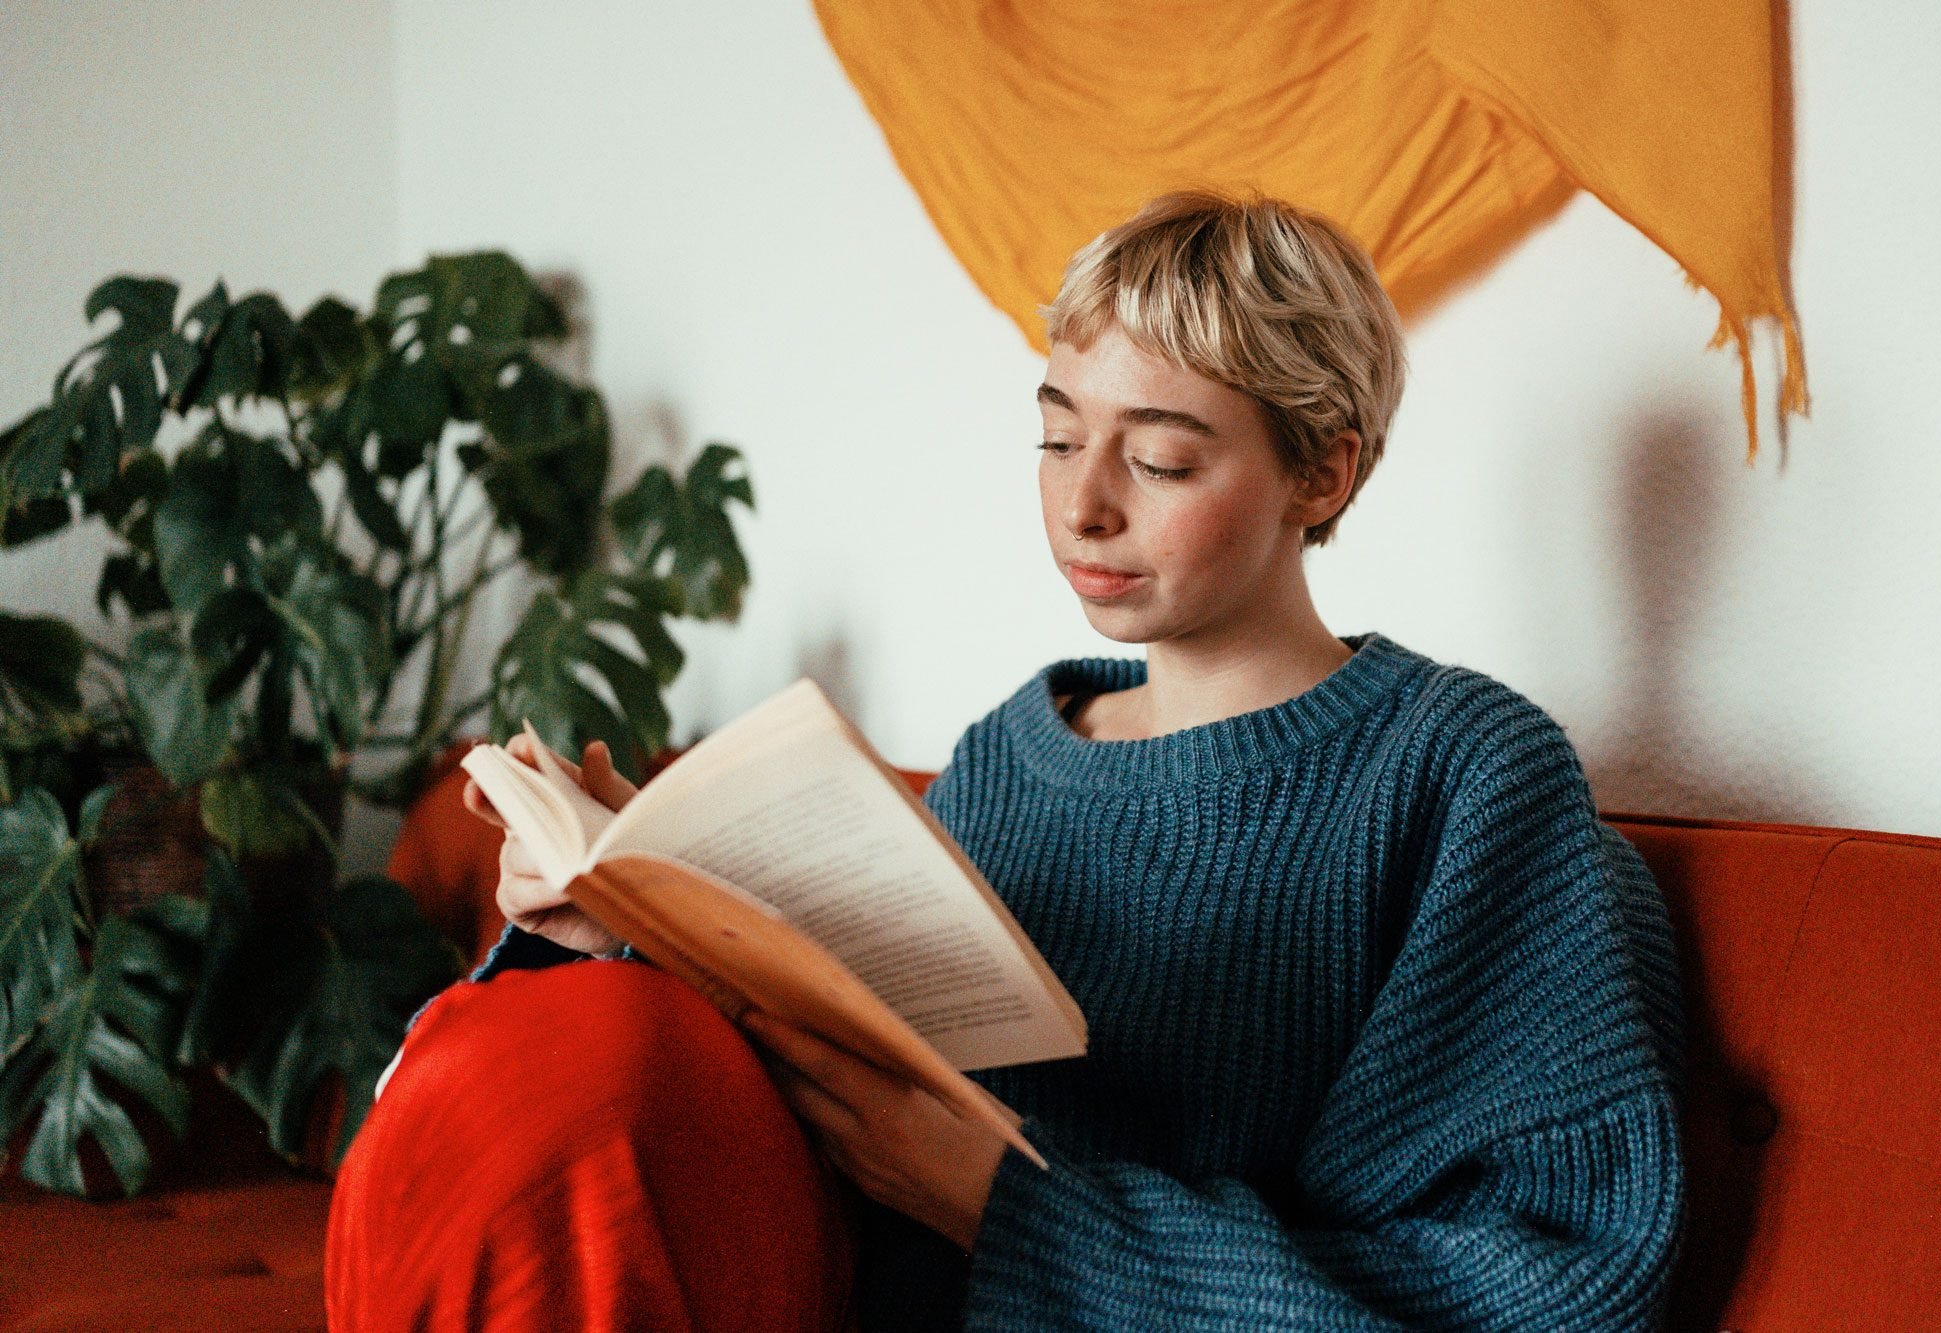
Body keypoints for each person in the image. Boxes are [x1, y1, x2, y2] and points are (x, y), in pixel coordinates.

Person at [327, 188, 1686, 1330]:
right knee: (559, 1050)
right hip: (839, 1282)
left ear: (1321, 474)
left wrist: (1007, 1208)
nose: (1082, 500)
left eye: (1158, 457)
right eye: (1056, 434)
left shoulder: (1456, 775)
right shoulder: (1009, 759)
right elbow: (832, 1107)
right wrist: (647, 918)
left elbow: (1549, 1280)